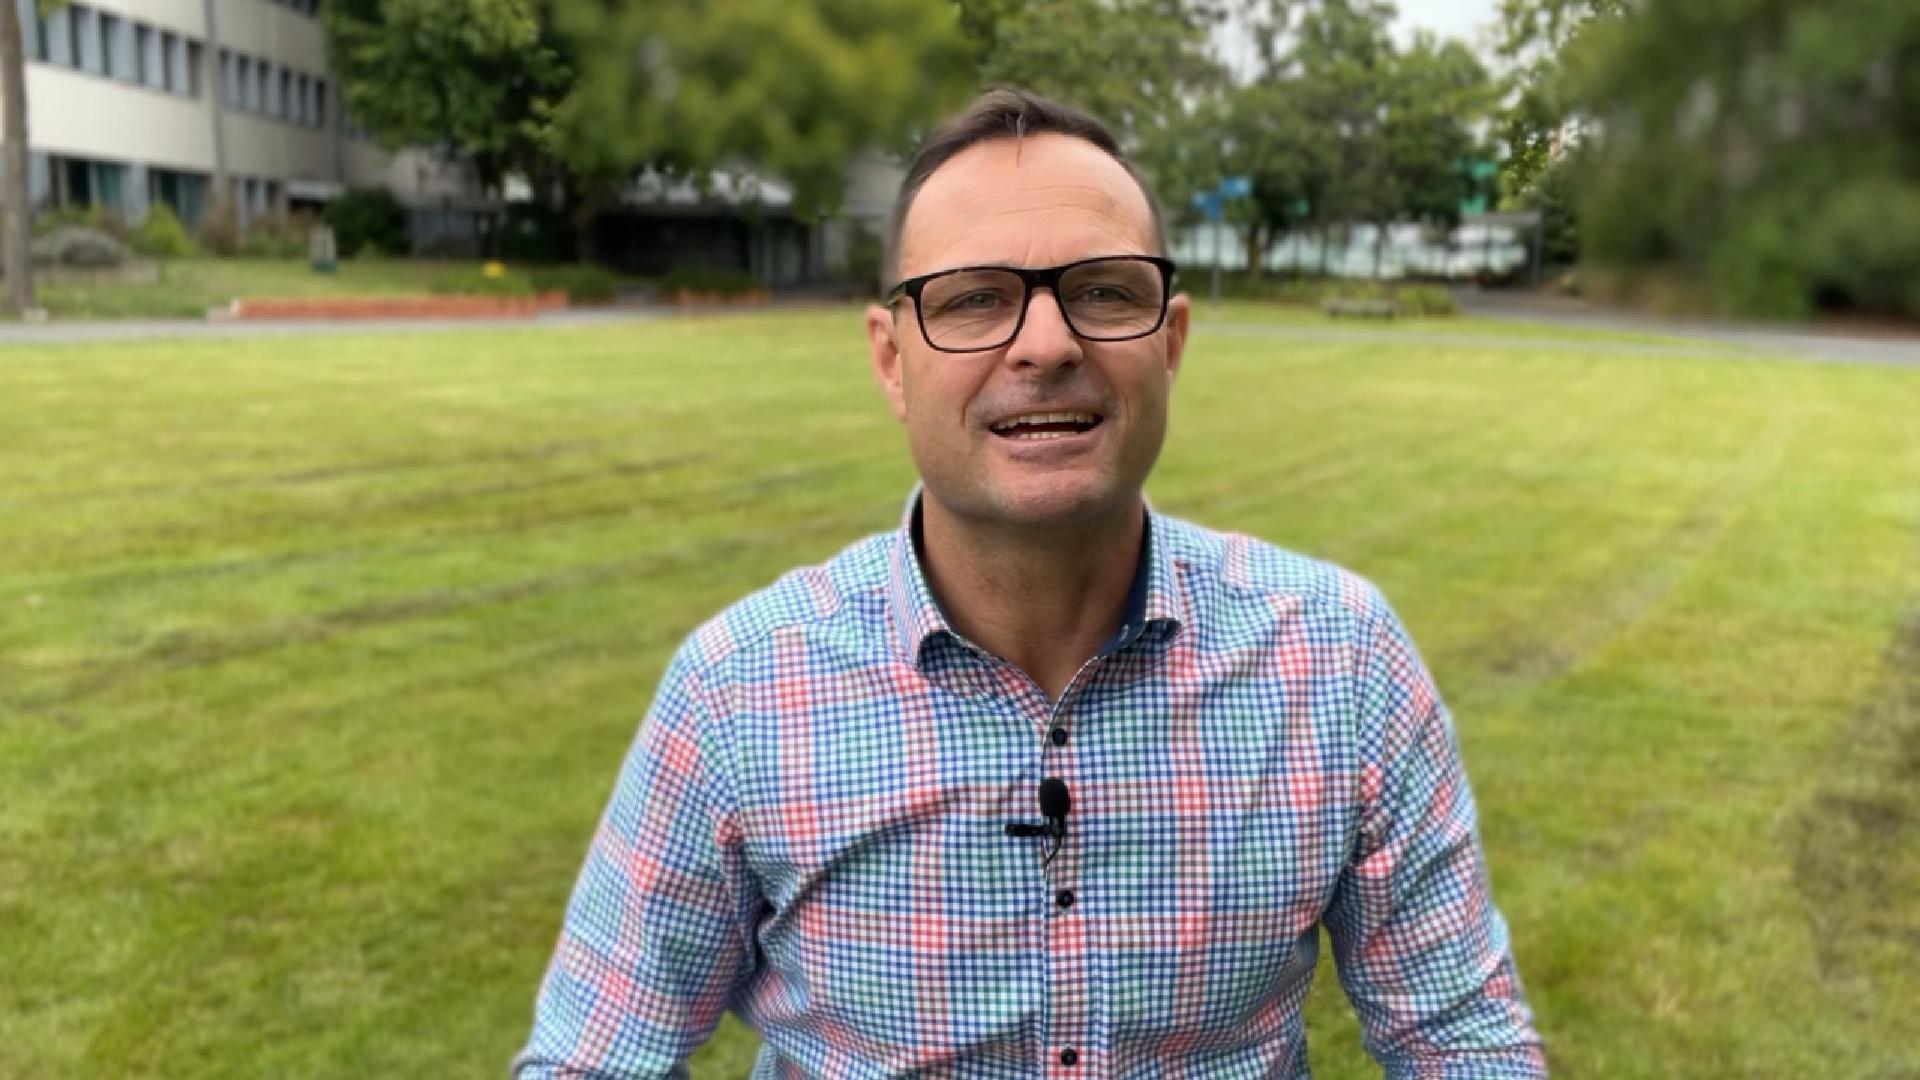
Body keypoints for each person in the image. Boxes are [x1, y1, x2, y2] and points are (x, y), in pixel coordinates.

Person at [514, 88, 1546, 1078]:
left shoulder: (1338, 663)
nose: (1047, 345)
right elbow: (598, 1056)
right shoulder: (740, 696)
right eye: (972, 301)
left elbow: (1461, 1042)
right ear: (889, 360)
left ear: (1171, 340)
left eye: (1104, 292)